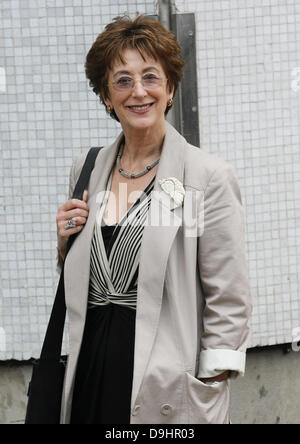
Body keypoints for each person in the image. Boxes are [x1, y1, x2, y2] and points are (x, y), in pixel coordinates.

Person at [56, 14, 252, 425]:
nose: (138, 91)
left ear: (170, 89)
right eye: (122, 80)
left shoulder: (204, 177)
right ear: (106, 97)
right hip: (92, 368)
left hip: (164, 383)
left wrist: (209, 382)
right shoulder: (87, 169)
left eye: (150, 77)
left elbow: (228, 297)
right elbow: (84, 279)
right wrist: (66, 244)